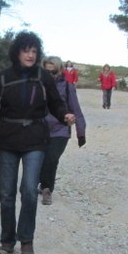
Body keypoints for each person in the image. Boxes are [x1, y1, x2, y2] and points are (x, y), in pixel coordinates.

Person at [0, 31, 74, 254]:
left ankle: (27, 241)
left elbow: (55, 103)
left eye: (34, 51)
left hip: (35, 138)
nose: (30, 55)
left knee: (30, 190)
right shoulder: (3, 78)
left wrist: (65, 116)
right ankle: (7, 239)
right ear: (17, 52)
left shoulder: (44, 77)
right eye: (26, 50)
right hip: (8, 139)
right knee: (6, 193)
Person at [39, 56, 87, 205]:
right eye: (46, 72)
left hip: (60, 129)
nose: (50, 75)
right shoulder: (37, 85)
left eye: (52, 71)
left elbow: (76, 109)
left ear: (59, 70)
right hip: (40, 128)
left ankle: (47, 189)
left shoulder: (67, 86)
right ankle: (41, 183)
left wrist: (81, 132)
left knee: (52, 159)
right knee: (40, 159)